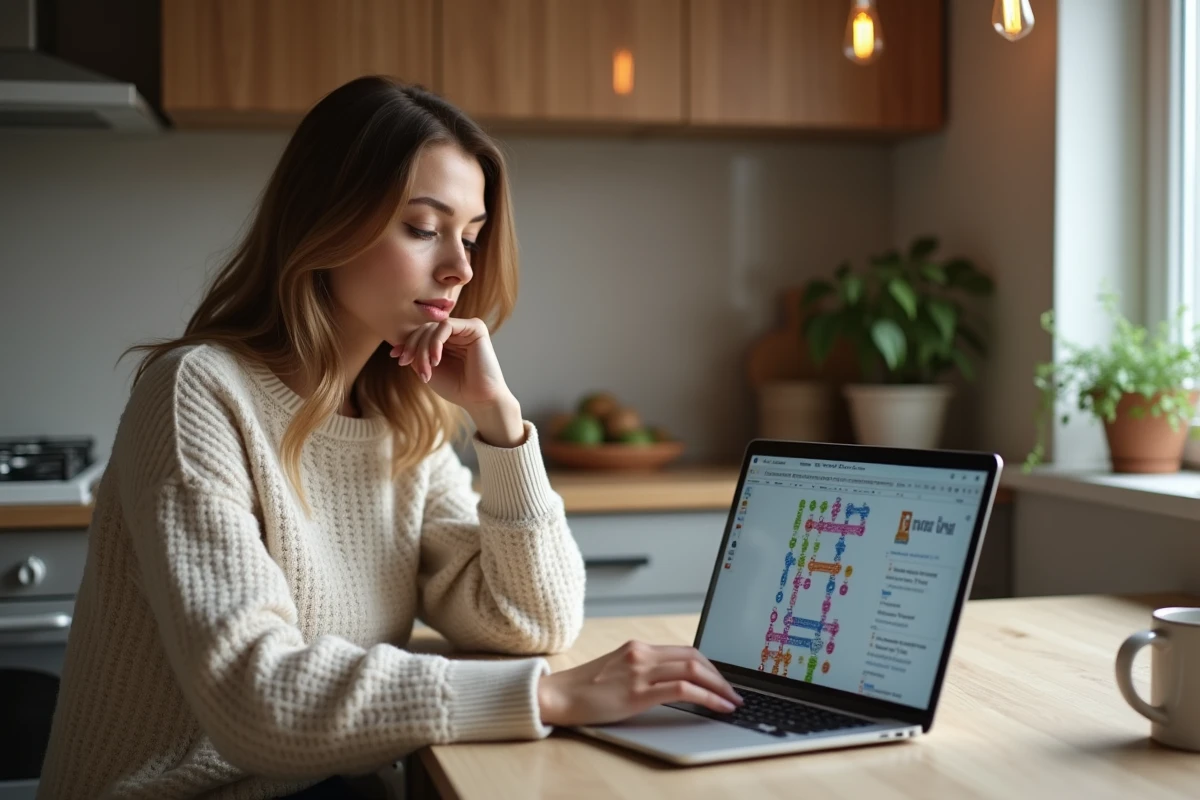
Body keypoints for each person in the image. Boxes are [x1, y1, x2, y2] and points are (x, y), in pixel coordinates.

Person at [37, 76, 743, 799]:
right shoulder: (200, 392)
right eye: (422, 227)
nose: (460, 268)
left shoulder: (402, 418)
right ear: (326, 221)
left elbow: (530, 620)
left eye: (469, 236)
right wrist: (546, 697)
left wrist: (501, 423)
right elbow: (256, 697)